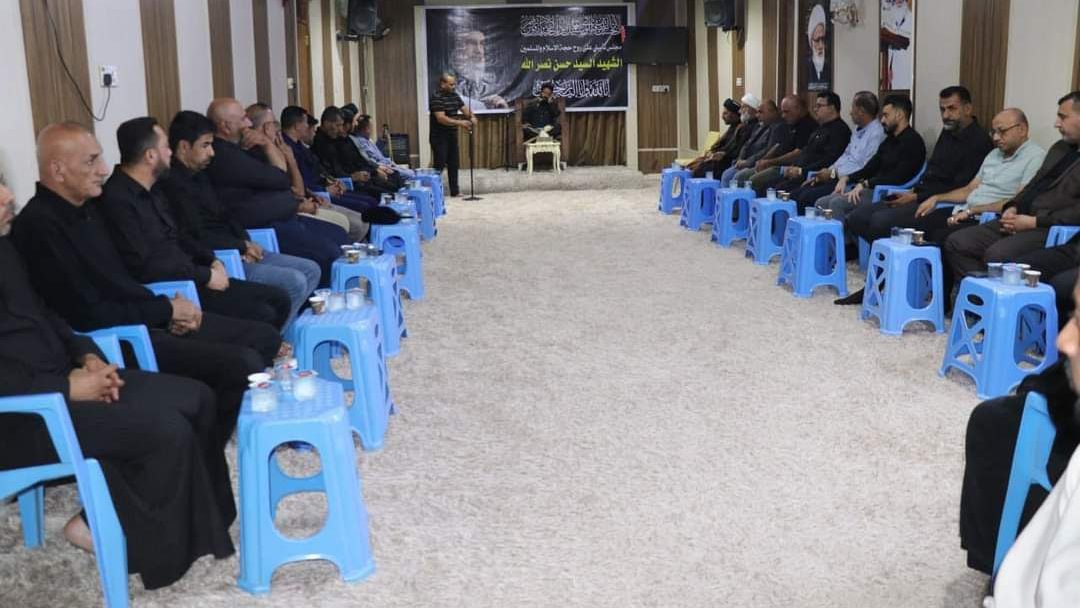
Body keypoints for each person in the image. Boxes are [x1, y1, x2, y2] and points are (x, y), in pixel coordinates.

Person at [0, 182, 235, 590]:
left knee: (196, 397)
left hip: (60, 381)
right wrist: (68, 389)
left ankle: (203, 526)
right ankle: (128, 541)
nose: (7, 196)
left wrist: (88, 357)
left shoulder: (5, 249)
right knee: (163, 429)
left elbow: (46, 316)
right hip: (23, 416)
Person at [11, 122, 281, 450]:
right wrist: (165, 311)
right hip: (117, 338)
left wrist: (170, 307)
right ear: (58, 170)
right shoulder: (38, 227)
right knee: (240, 365)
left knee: (261, 338)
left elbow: (124, 282)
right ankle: (204, 449)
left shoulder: (89, 210)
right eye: (91, 161)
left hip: (142, 315)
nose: (103, 169)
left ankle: (203, 448)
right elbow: (87, 313)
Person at [98, 116, 292, 330]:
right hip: (172, 288)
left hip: (193, 272)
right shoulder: (117, 199)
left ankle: (276, 346)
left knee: (279, 299)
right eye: (166, 147)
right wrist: (205, 274)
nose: (170, 152)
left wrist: (211, 260)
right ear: (150, 155)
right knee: (263, 314)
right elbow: (145, 266)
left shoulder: (153, 190)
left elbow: (182, 236)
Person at [160, 110, 320, 328]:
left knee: (311, 269)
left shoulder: (201, 174)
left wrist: (245, 241)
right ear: (184, 147)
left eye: (212, 145)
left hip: (238, 246)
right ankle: (276, 339)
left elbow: (225, 215)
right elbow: (196, 236)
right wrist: (239, 246)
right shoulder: (172, 186)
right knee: (294, 281)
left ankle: (284, 335)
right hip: (219, 257)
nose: (212, 153)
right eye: (205, 146)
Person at [944, 92, 1080, 292]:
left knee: (997, 256)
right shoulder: (1060, 148)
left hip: (1048, 226)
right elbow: (1033, 185)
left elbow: (1076, 212)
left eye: (1063, 117)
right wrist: (1012, 206)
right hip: (1021, 217)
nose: (1056, 124)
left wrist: (1035, 221)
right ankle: (979, 296)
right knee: (957, 242)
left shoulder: (1036, 154)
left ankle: (997, 303)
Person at [203, 97, 348, 285]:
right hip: (263, 226)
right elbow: (281, 178)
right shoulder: (226, 156)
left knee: (338, 236)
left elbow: (283, 182)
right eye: (243, 119)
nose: (248, 124)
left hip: (284, 215)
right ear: (225, 126)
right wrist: (268, 145)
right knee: (329, 253)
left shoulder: (238, 150)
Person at [843, 85, 994, 258]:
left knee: (880, 222)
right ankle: (889, 262)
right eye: (942, 109)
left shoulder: (979, 142)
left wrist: (917, 196)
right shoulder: (948, 132)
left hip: (943, 203)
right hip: (920, 194)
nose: (945, 115)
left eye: (952, 108)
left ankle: (894, 268)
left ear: (967, 109)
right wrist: (912, 191)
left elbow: (962, 186)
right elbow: (932, 170)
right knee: (858, 217)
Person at [246, 102, 368, 241]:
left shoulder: (289, 147)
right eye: (274, 124)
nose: (277, 129)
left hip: (304, 200)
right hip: (284, 213)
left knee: (359, 217)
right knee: (346, 227)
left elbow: (304, 183)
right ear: (266, 128)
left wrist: (319, 190)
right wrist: (310, 196)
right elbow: (291, 187)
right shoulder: (260, 153)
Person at [814, 94, 925, 225]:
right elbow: (871, 166)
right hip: (871, 187)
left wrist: (866, 184)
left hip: (887, 192)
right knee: (821, 202)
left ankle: (840, 239)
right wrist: (848, 178)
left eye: (886, 115)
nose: (882, 120)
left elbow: (898, 177)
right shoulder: (890, 140)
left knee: (836, 203)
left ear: (899, 115)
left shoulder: (913, 142)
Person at [787, 91, 885, 211]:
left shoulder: (876, 134)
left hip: (852, 182)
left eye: (853, 108)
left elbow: (865, 168)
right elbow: (845, 156)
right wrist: (828, 171)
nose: (850, 112)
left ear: (861, 111)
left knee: (807, 198)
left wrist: (833, 174)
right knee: (796, 193)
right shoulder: (857, 130)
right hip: (836, 177)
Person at [754, 91, 851, 197]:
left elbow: (829, 160)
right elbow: (806, 151)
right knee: (765, 187)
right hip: (797, 171)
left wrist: (801, 171)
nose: (815, 109)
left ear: (832, 108)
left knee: (780, 192)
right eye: (815, 106)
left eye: (819, 106)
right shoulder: (820, 128)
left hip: (813, 175)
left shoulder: (839, 130)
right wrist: (794, 166)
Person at [735, 95, 818, 193]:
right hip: (775, 162)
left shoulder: (807, 126)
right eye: (782, 112)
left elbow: (797, 153)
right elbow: (777, 146)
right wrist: (764, 160)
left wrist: (770, 162)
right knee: (741, 175)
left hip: (788, 166)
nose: (783, 115)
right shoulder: (791, 123)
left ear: (798, 109)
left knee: (753, 179)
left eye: (786, 112)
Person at [311, 106, 396, 198]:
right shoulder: (321, 144)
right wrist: (353, 176)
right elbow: (332, 173)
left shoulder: (334, 140)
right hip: (341, 185)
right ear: (327, 123)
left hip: (351, 180)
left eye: (341, 125)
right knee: (376, 198)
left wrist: (371, 172)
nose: (340, 129)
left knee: (391, 184)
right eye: (338, 125)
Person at [429, 73, 476, 198]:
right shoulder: (436, 97)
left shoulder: (455, 96)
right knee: (440, 164)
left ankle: (455, 191)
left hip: (451, 134)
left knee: (454, 163)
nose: (453, 86)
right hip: (439, 136)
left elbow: (465, 110)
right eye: (451, 84)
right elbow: (441, 118)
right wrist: (460, 123)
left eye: (454, 84)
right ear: (442, 84)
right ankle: (434, 192)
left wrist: (472, 117)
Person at [722, 99, 787, 187]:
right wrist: (740, 159)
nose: (757, 115)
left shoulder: (779, 127)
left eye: (760, 112)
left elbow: (768, 151)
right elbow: (747, 145)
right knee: (727, 173)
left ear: (772, 112)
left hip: (762, 163)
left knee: (736, 177)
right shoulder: (761, 125)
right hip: (748, 161)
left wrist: (748, 162)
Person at [345, 111, 415, 180]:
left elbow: (376, 153)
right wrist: (388, 165)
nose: (372, 130)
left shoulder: (367, 140)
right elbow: (374, 158)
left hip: (387, 164)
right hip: (383, 168)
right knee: (410, 174)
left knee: (411, 172)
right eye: (371, 127)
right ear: (367, 129)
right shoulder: (361, 142)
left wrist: (381, 141)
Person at [688, 98, 749, 178]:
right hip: (719, 159)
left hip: (726, 163)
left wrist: (721, 154)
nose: (722, 117)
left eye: (725, 113)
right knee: (691, 167)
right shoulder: (732, 128)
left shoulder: (740, 129)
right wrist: (712, 153)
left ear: (735, 115)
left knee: (699, 170)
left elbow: (734, 151)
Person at [449, 29, 508, 110]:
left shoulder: (489, 76)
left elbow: (486, 95)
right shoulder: (450, 74)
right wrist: (481, 105)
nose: (478, 50)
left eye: (482, 44)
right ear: (460, 48)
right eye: (472, 43)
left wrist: (496, 99)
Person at [805, 4, 830, 91]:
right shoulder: (805, 67)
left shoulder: (828, 65)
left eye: (823, 39)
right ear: (810, 41)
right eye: (817, 40)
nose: (821, 45)